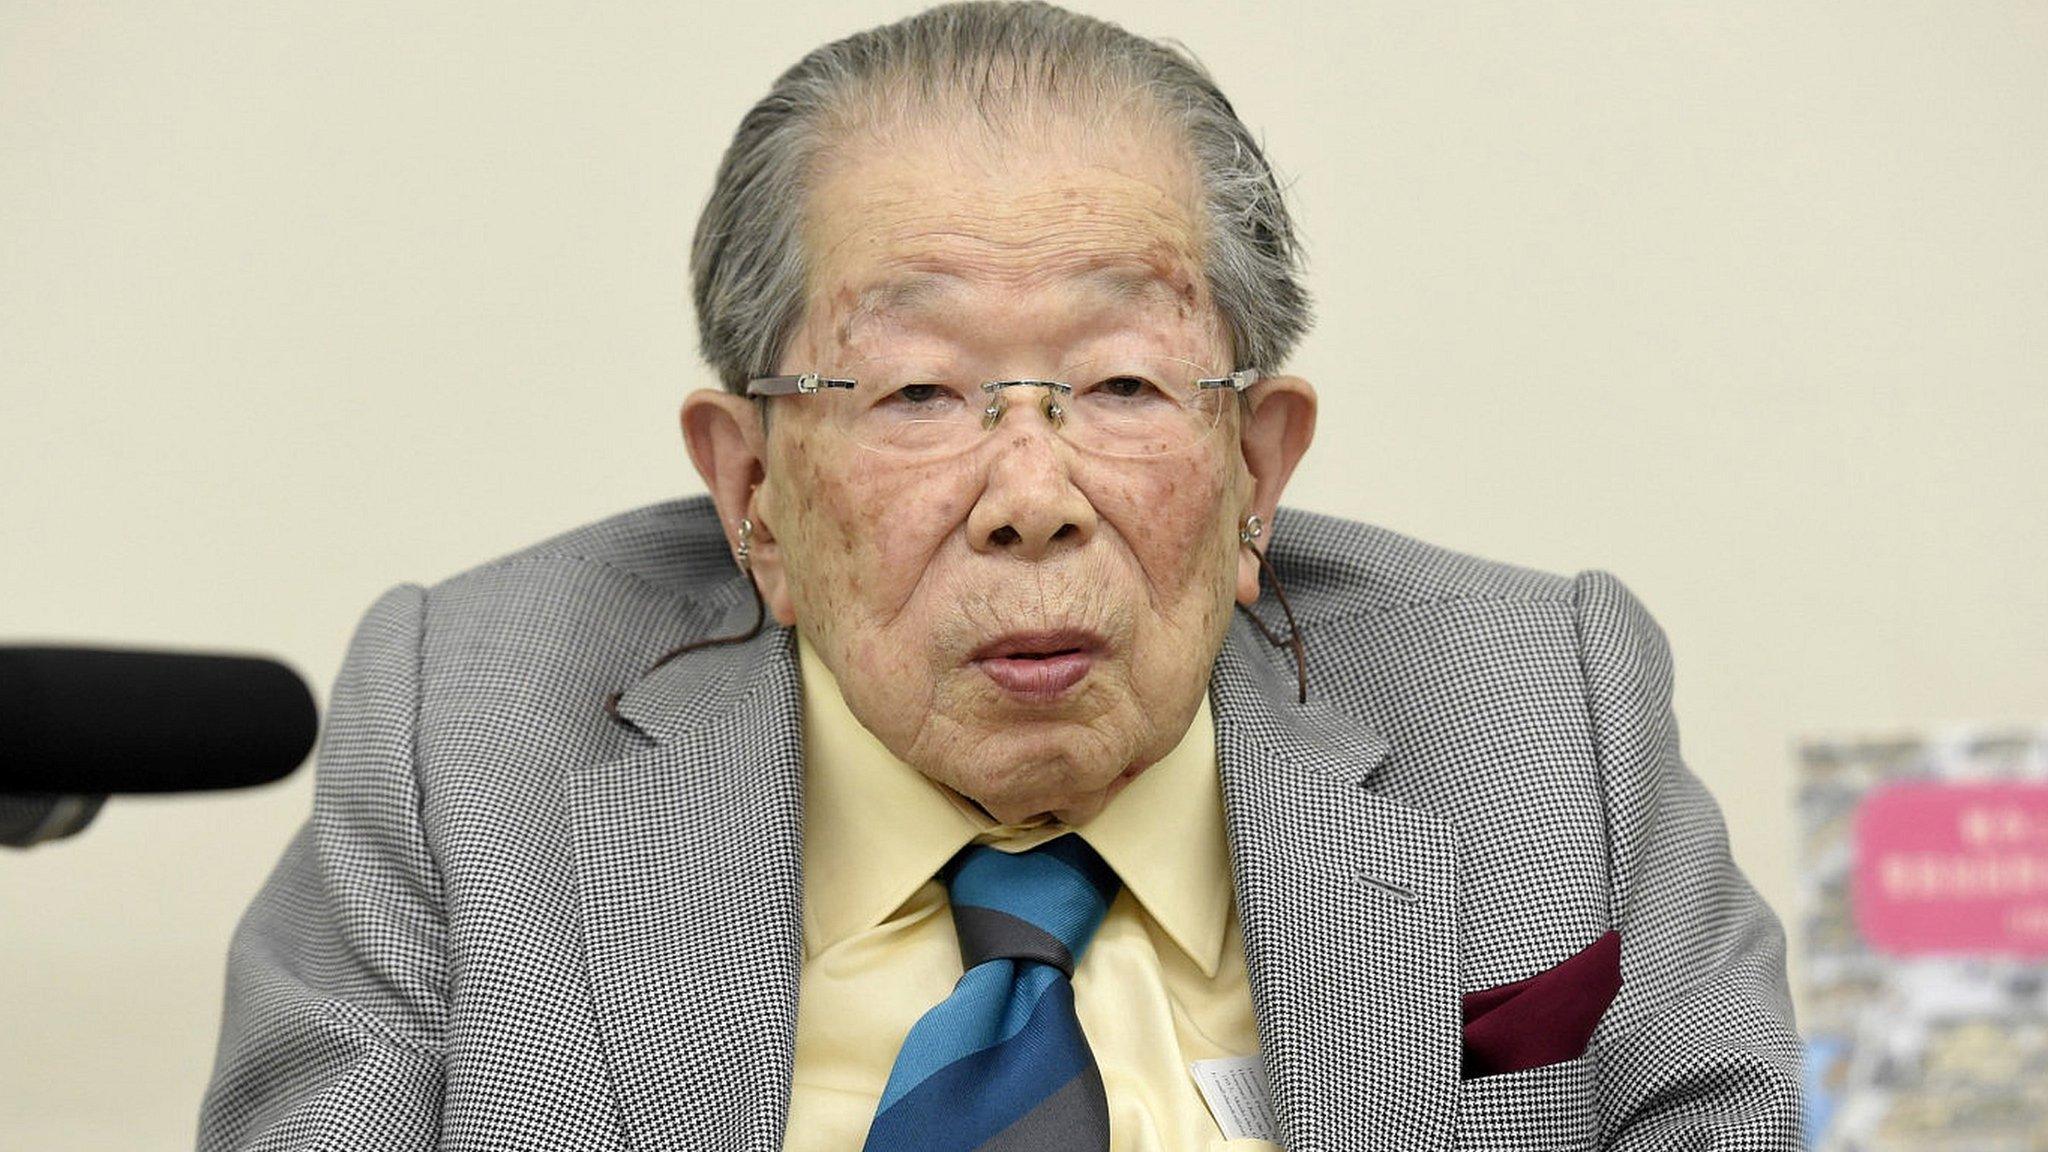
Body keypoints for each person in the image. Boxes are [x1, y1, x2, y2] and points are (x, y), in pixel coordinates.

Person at [198, 3, 1801, 1148]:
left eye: (1119, 386)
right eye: (914, 395)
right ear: (752, 489)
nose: (1032, 500)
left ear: (1257, 469)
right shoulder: (464, 730)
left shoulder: (1543, 716)